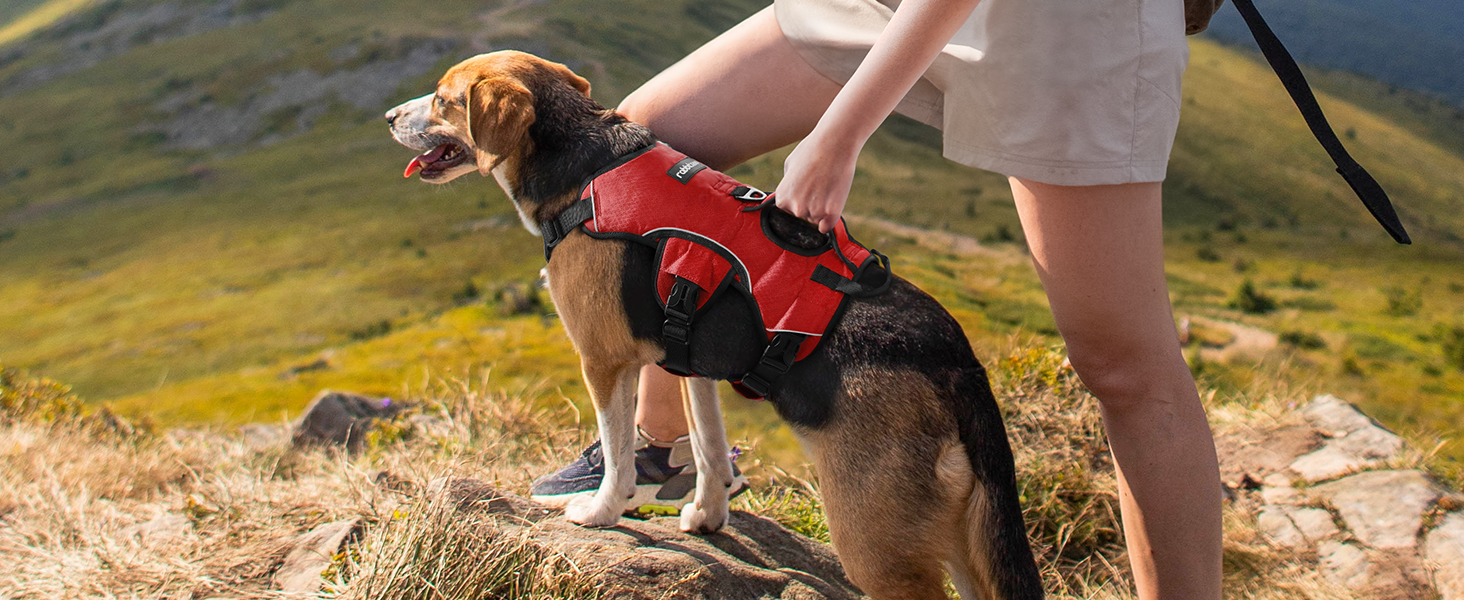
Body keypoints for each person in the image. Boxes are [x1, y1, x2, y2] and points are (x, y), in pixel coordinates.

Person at [529, 0, 1223, 597]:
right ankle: (664, 451)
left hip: (1072, 25)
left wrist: (839, 134)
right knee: (648, 146)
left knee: (1123, 363)